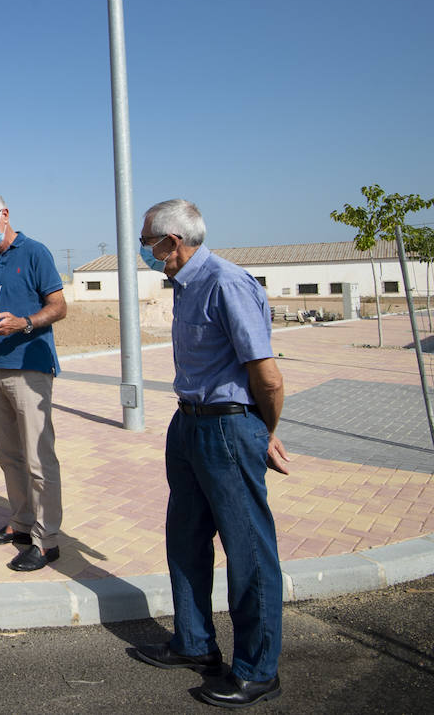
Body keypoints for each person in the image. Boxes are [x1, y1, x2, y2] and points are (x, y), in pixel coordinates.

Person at [131, 199, 290, 709]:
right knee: (186, 536)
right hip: (189, 426)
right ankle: (195, 643)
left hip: (227, 428)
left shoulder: (225, 282)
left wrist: (263, 432)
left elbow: (267, 376)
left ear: (171, 242)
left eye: (146, 244)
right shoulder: (184, 285)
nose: (145, 254)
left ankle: (257, 669)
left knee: (247, 551)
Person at [0, 193, 68, 572]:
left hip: (30, 367)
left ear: (4, 215)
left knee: (39, 457)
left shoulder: (35, 253)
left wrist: (24, 323)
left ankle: (47, 540)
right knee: (8, 454)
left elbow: (59, 306)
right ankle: (21, 524)